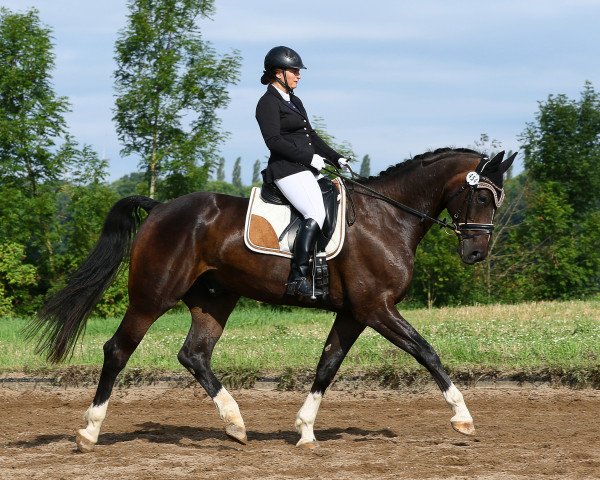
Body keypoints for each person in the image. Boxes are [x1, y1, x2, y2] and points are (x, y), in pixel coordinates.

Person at [255, 46, 349, 299]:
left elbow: (312, 136)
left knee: (336, 196)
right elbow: (274, 141)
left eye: (298, 71)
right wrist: (309, 158)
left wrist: (336, 157)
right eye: (294, 71)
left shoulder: (295, 101)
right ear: (278, 73)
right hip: (286, 171)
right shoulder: (267, 103)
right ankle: (297, 278)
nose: (298, 75)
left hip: (304, 169)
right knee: (315, 212)